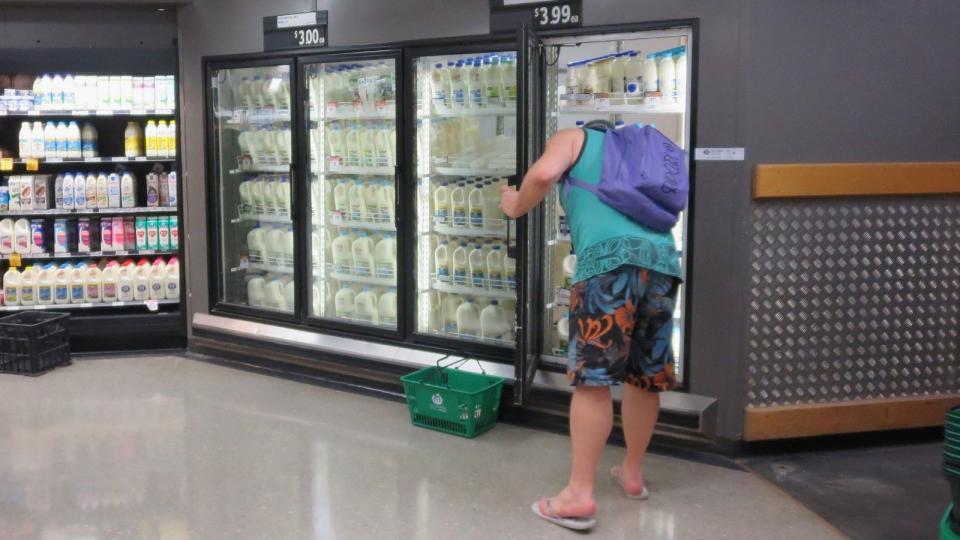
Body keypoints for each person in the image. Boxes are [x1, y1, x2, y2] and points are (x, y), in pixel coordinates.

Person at [499, 120, 683, 531]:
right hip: (662, 265)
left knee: (593, 380)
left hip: (607, 266)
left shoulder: (572, 138)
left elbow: (544, 173)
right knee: (642, 377)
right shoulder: (638, 152)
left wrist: (515, 204)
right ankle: (632, 474)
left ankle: (578, 496)